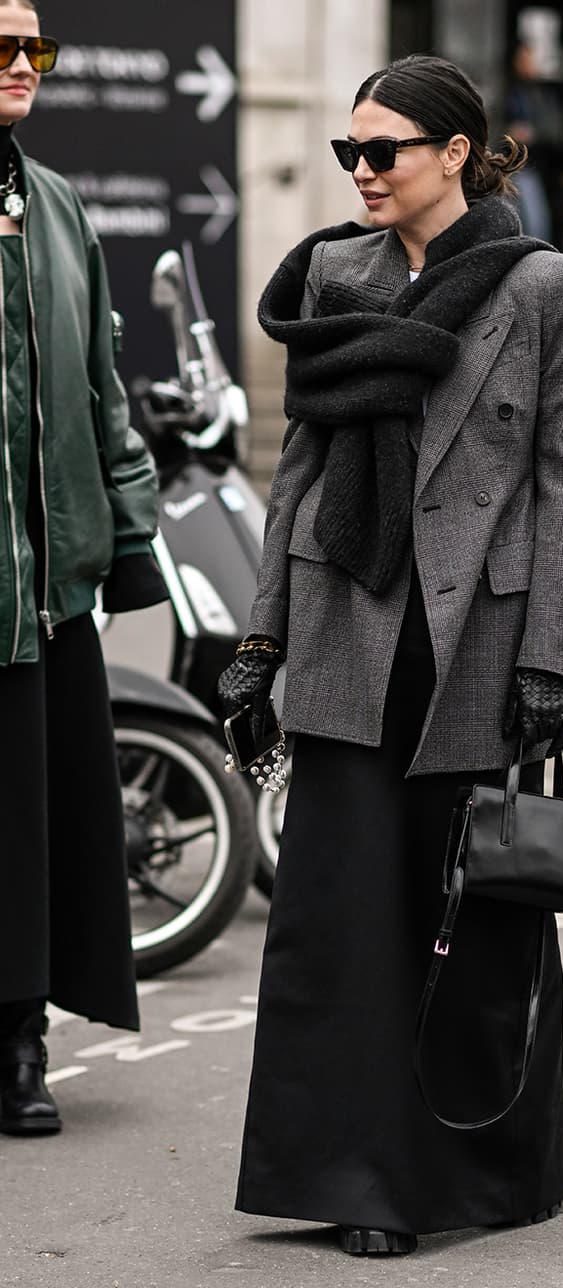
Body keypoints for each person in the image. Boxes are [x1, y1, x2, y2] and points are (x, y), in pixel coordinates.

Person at [218, 53, 563, 1257]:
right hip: (350, 617)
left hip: (480, 640)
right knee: (341, 917)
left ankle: (492, 1161)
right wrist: (261, 637)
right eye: (349, 151)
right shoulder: (333, 275)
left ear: (453, 153)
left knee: (470, 911)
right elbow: (298, 470)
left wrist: (552, 660)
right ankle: (354, 1172)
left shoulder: (542, 287)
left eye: (381, 150)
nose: (359, 171)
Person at [0, 0, 166, 1136]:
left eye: (35, 49)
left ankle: (18, 1042)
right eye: (1, 46)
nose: (23, 67)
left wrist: (131, 529)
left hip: (47, 588)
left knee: (32, 825)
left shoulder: (54, 205)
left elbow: (102, 387)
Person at [504, 40, 563, 240]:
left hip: (539, 167)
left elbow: (559, 133)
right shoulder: (508, 91)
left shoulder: (545, 95)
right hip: (512, 166)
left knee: (536, 223)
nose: (529, 64)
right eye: (524, 59)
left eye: (531, 59)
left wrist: (533, 133)